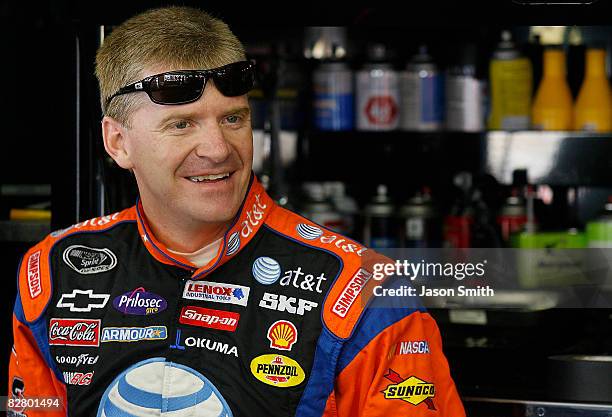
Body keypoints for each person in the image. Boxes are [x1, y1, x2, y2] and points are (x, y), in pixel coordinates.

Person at [7, 6, 465, 417]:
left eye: (233, 119)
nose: (217, 150)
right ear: (118, 142)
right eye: (181, 125)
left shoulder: (366, 294)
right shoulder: (52, 272)